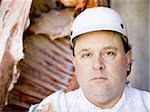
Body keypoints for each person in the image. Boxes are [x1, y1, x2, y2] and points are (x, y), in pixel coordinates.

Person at [29, 6, 150, 112]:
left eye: (109, 53)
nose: (97, 65)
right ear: (75, 64)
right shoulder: (55, 107)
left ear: (127, 60)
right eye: (86, 55)